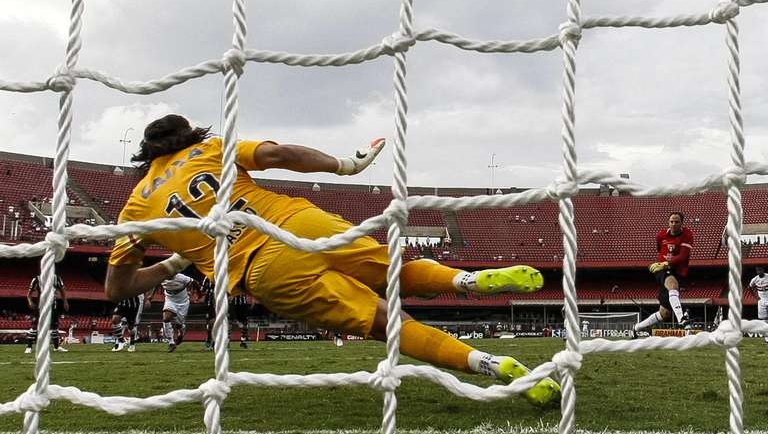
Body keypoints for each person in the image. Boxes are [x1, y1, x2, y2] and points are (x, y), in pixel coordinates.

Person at [104, 114, 559, 406]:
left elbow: (117, 290)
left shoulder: (134, 210)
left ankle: (488, 364)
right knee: (392, 270)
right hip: (296, 222)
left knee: (388, 324)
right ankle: (468, 283)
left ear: (147, 156)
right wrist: (346, 165)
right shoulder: (207, 149)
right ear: (187, 135)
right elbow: (280, 154)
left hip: (261, 270)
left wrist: (173, 263)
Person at [633, 211, 694, 337]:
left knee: (664, 313)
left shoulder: (687, 235)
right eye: (671, 221)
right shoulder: (661, 236)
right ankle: (682, 320)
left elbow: (683, 256)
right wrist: (663, 264)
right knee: (672, 286)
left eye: (676, 222)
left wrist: (667, 263)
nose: (673, 224)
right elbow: (660, 250)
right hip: (662, 269)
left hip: (677, 271)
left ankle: (637, 328)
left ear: (682, 223)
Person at [202, 277, 251, 350]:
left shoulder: (239, 276)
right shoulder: (209, 278)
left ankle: (243, 341)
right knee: (226, 322)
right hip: (224, 303)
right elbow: (203, 291)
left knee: (244, 323)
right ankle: (222, 341)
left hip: (241, 303)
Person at [25, 273, 69, 353]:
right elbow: (28, 294)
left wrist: (65, 301)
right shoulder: (37, 279)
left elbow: (62, 290)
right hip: (40, 306)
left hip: (53, 305)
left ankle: (56, 347)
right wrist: (30, 302)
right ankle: (29, 347)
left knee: (54, 326)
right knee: (35, 326)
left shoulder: (56, 278)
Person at [748, 266, 768, 344]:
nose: (759, 271)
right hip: (761, 302)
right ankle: (767, 339)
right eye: (757, 270)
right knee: (764, 321)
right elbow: (749, 287)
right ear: (756, 271)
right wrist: (756, 297)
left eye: (760, 270)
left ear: (763, 270)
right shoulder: (755, 279)